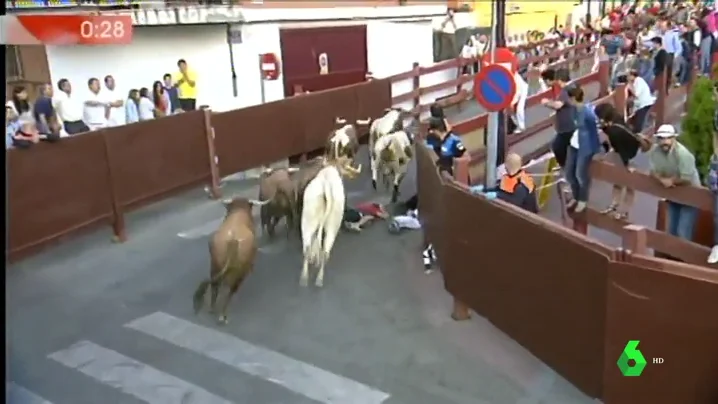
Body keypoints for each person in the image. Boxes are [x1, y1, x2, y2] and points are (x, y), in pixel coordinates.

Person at [648, 124, 701, 241]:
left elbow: (686, 177)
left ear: (673, 138)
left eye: (667, 138)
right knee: (671, 231)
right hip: (673, 195)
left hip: (690, 196)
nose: (664, 141)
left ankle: (684, 258)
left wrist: (670, 181)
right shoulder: (655, 152)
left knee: (683, 233)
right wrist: (662, 180)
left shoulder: (683, 154)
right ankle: (672, 258)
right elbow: (653, 171)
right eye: (661, 138)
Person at [594, 103, 647, 220]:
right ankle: (615, 205)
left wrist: (627, 165)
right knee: (618, 180)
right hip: (625, 150)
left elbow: (621, 149)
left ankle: (624, 211)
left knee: (629, 184)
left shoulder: (614, 131)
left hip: (630, 154)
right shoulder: (616, 118)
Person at [564, 85, 600, 213]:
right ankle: (576, 195)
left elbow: (594, 130)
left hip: (585, 146)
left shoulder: (588, 112)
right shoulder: (574, 109)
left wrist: (596, 149)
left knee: (581, 174)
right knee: (569, 173)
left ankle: (583, 199)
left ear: (573, 98)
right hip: (574, 143)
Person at [474, 153, 539, 213]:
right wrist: (484, 189)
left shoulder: (522, 184)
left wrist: (497, 195)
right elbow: (499, 188)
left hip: (526, 215)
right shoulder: (507, 177)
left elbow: (515, 201)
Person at [540, 67, 576, 168]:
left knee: (557, 146)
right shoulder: (573, 86)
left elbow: (558, 104)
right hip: (571, 122)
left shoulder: (564, 90)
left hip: (568, 125)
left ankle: (565, 167)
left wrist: (546, 102)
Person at [626, 69, 655, 133]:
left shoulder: (638, 80)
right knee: (636, 119)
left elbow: (637, 94)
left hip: (644, 103)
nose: (627, 78)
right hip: (640, 104)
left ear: (632, 75)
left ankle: (639, 133)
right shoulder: (634, 82)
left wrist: (630, 85)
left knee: (639, 122)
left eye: (628, 76)